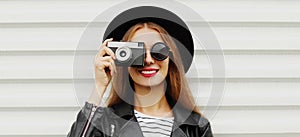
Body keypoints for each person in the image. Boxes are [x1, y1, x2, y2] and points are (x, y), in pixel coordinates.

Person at [68, 6, 212, 137]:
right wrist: (99, 86)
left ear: (171, 59)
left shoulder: (196, 127)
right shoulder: (106, 122)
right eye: (138, 53)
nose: (148, 60)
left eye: (159, 51)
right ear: (123, 60)